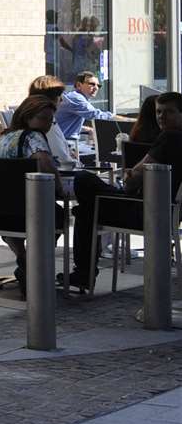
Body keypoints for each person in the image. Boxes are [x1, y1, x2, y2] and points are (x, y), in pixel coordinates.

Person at [67, 91, 182, 292]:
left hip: (146, 211)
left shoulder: (170, 137)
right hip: (168, 211)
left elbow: (135, 177)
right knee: (86, 209)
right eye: (159, 112)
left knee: (83, 182)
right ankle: (82, 274)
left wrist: (131, 177)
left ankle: (83, 274)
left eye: (169, 112)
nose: (161, 117)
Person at [0, 96, 67, 295]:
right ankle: (34, 264)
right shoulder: (34, 137)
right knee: (57, 214)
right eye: (43, 118)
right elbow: (45, 163)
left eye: (51, 120)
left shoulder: (4, 137)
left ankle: (23, 258)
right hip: (24, 212)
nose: (47, 124)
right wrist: (60, 189)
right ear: (27, 117)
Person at [25, 75, 78, 168]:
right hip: (56, 177)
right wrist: (75, 162)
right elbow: (63, 162)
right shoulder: (45, 122)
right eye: (59, 96)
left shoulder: (26, 119)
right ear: (50, 99)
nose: (61, 100)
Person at [56, 71, 117, 144]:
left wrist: (87, 129)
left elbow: (63, 124)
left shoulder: (75, 97)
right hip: (63, 143)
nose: (96, 88)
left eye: (98, 86)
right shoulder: (76, 98)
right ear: (79, 85)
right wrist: (128, 120)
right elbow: (95, 115)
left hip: (62, 142)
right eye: (92, 84)